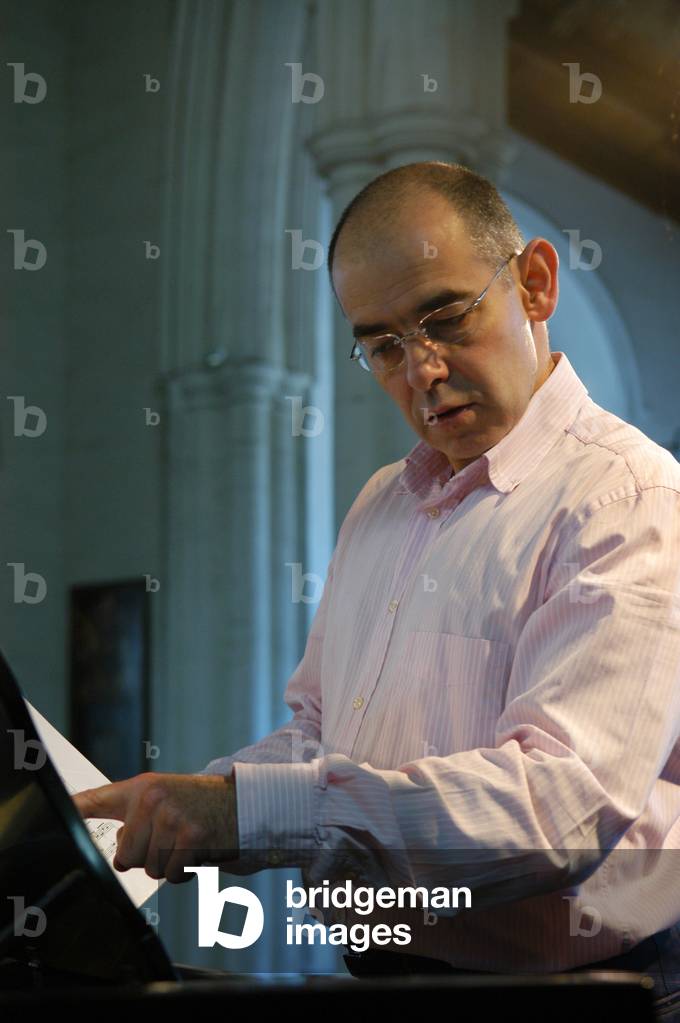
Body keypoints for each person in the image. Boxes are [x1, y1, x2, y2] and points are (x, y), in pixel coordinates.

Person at [74, 162, 680, 1014]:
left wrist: (248, 814)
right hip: (386, 972)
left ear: (534, 284)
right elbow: (319, 736)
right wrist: (186, 800)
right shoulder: (380, 505)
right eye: (383, 344)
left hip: (583, 991)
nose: (421, 371)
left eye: (445, 317)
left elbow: (561, 809)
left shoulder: (629, 497)